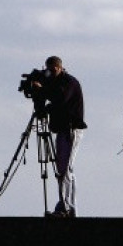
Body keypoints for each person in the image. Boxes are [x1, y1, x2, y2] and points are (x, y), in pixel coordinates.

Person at [34, 56, 87, 217]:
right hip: (62, 130)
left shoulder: (69, 82)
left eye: (53, 69)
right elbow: (50, 100)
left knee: (64, 169)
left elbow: (60, 98)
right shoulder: (54, 83)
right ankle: (68, 207)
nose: (51, 72)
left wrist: (42, 89)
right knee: (64, 168)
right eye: (48, 69)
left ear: (60, 68)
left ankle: (65, 207)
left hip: (71, 130)